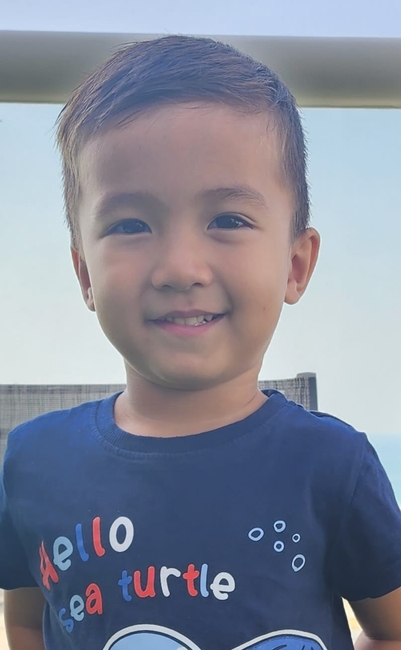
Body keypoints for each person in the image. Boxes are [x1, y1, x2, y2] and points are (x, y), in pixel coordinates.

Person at [0, 35, 400, 650]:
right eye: (130, 224)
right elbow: (28, 622)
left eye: (227, 220)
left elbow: (391, 631)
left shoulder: (334, 468)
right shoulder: (32, 464)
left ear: (295, 265)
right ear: (85, 274)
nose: (180, 268)